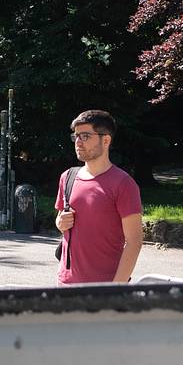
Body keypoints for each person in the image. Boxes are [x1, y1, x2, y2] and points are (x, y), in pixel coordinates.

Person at [54, 110, 143, 284]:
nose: (78, 142)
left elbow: (134, 242)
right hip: (64, 283)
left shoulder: (124, 184)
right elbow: (60, 221)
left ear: (106, 140)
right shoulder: (68, 177)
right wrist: (60, 223)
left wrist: (116, 287)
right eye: (76, 136)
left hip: (104, 288)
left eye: (85, 136)